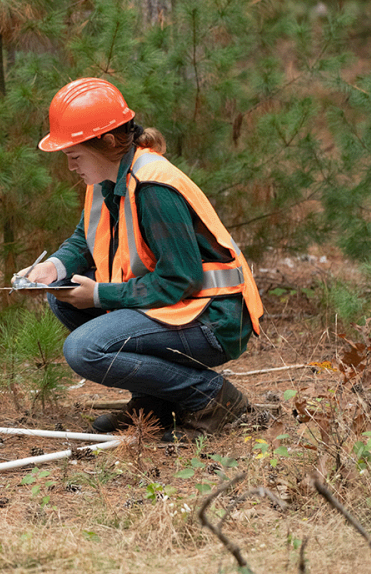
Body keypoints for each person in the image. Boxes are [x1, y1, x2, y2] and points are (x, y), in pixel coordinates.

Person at [18, 78, 264, 439]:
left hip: (213, 319)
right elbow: (84, 241)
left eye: (74, 156)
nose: (71, 167)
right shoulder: (106, 179)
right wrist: (52, 268)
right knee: (64, 302)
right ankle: (155, 403)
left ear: (106, 142)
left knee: (84, 350)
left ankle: (210, 397)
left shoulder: (153, 188)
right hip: (178, 307)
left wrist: (101, 295)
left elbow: (179, 279)